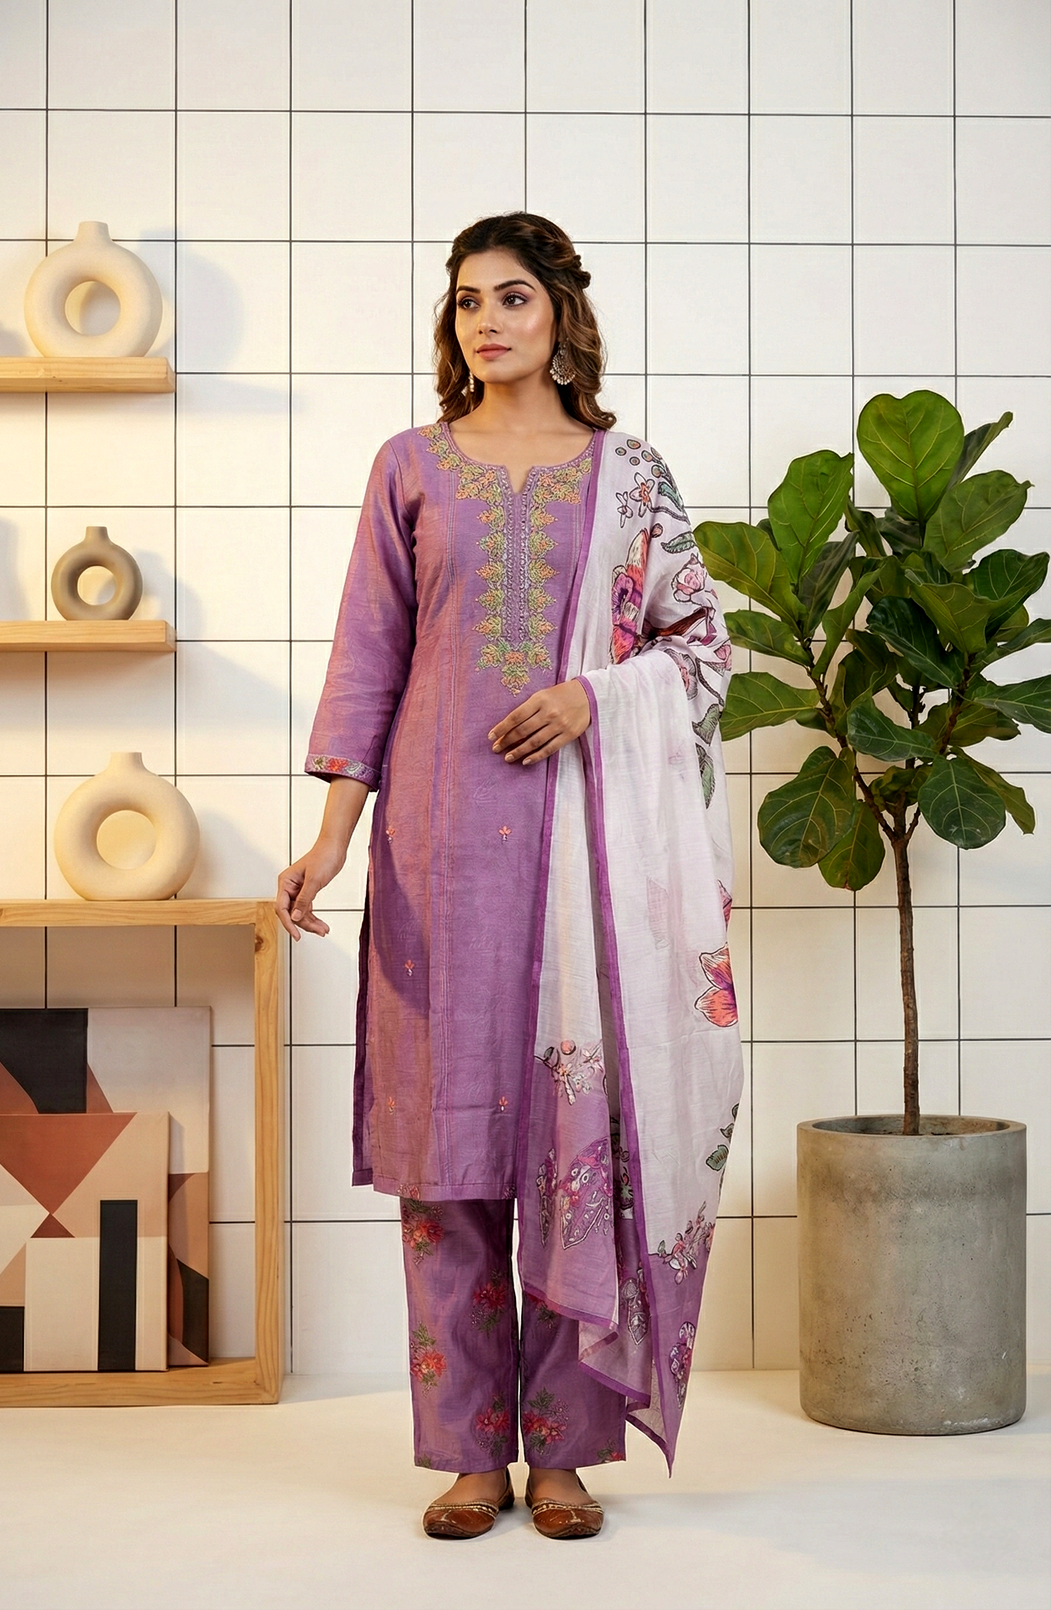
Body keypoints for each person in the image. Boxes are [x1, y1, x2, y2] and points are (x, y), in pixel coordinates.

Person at [275, 212, 742, 1540]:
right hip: (436, 853)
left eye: (514, 297)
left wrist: (595, 698)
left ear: (562, 316)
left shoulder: (628, 476)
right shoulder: (409, 466)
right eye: (470, 300)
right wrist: (333, 837)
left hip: (586, 860)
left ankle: (566, 1451)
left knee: (572, 1151)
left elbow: (704, 649)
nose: (488, 320)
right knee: (452, 1157)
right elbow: (368, 658)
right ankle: (469, 1449)